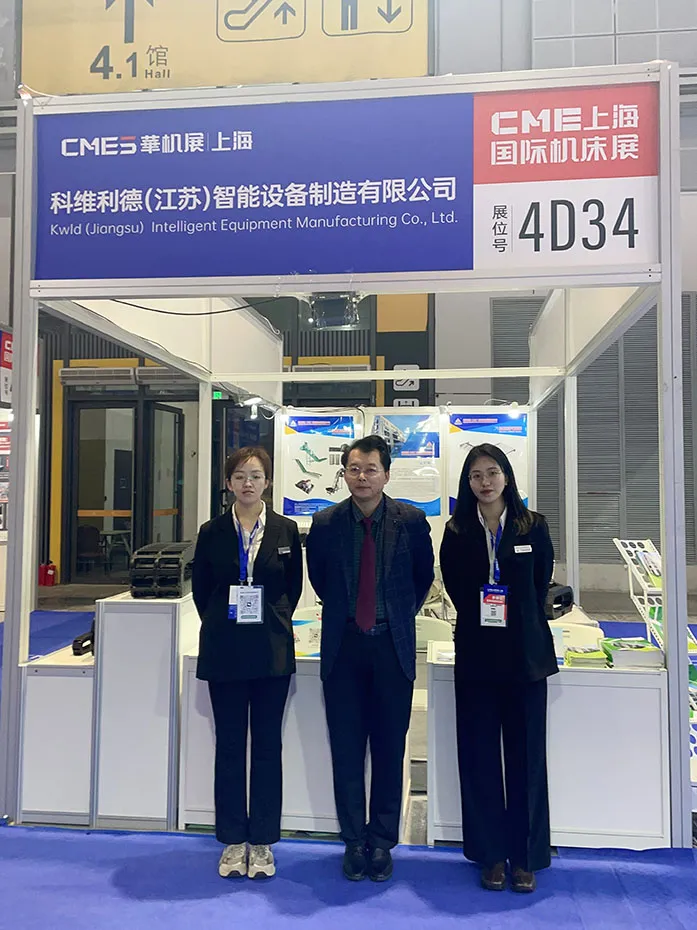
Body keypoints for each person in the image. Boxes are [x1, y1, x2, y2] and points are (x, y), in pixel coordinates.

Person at [306, 435, 434, 883]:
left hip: (390, 647)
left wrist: (392, 616)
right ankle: (352, 839)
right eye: (354, 469)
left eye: (370, 469)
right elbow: (320, 580)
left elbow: (421, 579)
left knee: (388, 747)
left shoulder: (411, 521)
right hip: (343, 647)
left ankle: (381, 841)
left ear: (386, 474)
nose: (362, 477)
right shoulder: (325, 523)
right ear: (344, 473)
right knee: (345, 749)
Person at [439, 443, 556, 894]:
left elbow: (540, 583)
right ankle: (490, 855)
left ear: (507, 476)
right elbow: (455, 588)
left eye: (492, 473)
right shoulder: (457, 530)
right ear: (467, 483)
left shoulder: (533, 526)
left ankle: (525, 856)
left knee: (527, 757)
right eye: (476, 476)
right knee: (480, 756)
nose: (485, 482)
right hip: (477, 656)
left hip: (525, 657)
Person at [192, 446, 302, 880]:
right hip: (225, 650)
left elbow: (292, 589)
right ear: (228, 483)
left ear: (267, 482)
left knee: (268, 746)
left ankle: (263, 841)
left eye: (255, 475)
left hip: (271, 650)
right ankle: (233, 840)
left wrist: (271, 621)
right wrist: (224, 622)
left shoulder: (285, 529)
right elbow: (202, 590)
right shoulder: (212, 531)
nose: (248, 483)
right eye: (239, 476)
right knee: (231, 745)